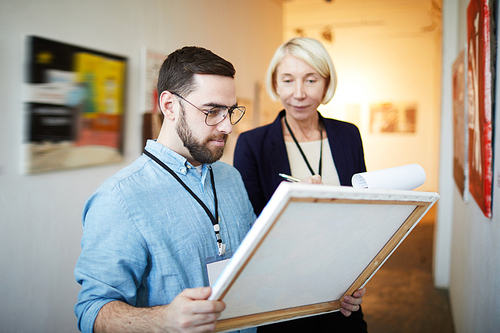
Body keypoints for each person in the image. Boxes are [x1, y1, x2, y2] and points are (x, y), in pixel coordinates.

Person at [74, 46, 256, 333]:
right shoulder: (118, 198)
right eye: (212, 111)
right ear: (169, 106)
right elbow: (93, 311)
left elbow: (258, 265)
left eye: (230, 112)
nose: (227, 127)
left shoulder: (231, 178)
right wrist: (162, 320)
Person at [233, 37, 368, 332]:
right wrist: (292, 201)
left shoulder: (348, 136)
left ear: (326, 82)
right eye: (288, 80)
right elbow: (249, 228)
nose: (299, 93)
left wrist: (359, 279)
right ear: (275, 84)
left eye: (310, 80)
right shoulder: (251, 144)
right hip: (280, 293)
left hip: (341, 288)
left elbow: (362, 215)